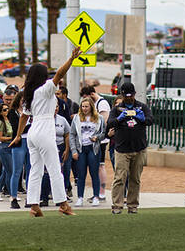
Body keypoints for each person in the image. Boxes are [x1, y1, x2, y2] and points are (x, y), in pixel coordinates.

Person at [13, 46, 81, 217]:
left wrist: (18, 135)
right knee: (54, 168)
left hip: (33, 132)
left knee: (35, 169)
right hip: (44, 129)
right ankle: (63, 204)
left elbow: (23, 117)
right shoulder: (45, 90)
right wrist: (71, 59)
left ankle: (34, 206)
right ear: (43, 77)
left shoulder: (30, 94)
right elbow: (59, 74)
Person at [105, 82, 151, 214]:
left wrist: (141, 118)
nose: (128, 98)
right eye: (126, 96)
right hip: (122, 149)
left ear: (134, 94)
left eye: (131, 96)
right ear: (122, 95)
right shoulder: (117, 109)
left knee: (135, 179)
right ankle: (117, 205)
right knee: (120, 177)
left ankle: (132, 205)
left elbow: (150, 120)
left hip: (139, 148)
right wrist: (119, 119)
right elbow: (110, 123)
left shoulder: (142, 107)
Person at [69, 96, 105, 206]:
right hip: (81, 148)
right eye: (83, 106)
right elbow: (72, 134)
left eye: (87, 106)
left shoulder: (99, 118)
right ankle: (80, 197)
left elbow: (103, 133)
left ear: (91, 107)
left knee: (94, 173)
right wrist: (74, 150)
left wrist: (97, 138)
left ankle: (96, 196)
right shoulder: (76, 118)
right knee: (81, 174)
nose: (84, 109)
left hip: (93, 148)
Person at [80, 84, 111, 199]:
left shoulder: (102, 104)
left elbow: (104, 122)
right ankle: (98, 193)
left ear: (92, 94)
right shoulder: (96, 104)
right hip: (92, 140)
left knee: (100, 166)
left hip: (100, 141)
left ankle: (101, 193)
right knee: (96, 166)